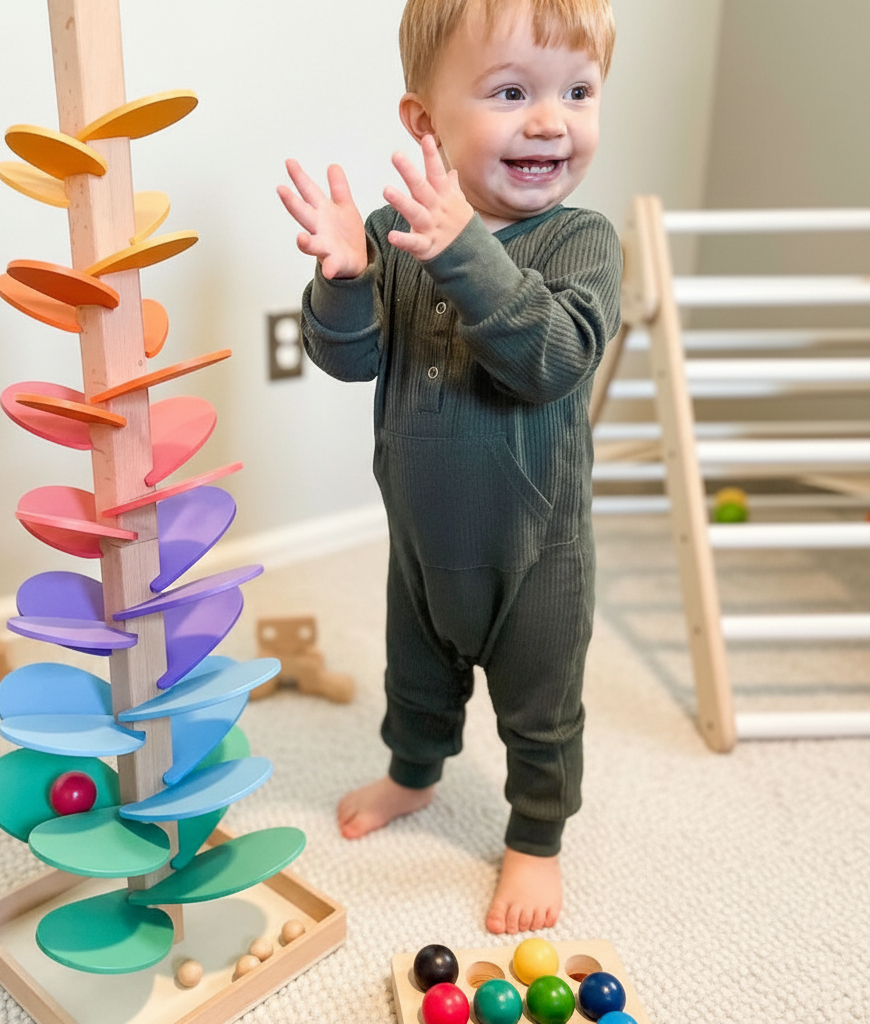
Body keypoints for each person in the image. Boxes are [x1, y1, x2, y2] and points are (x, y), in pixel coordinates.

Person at [277, 0, 621, 934]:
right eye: (511, 92)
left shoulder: (582, 242)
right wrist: (345, 281)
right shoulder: (393, 234)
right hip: (421, 543)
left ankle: (536, 836)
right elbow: (349, 360)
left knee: (541, 707)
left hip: (536, 554)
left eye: (578, 92)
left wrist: (464, 250)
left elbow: (551, 358)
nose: (549, 121)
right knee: (416, 679)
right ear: (425, 121)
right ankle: (413, 774)